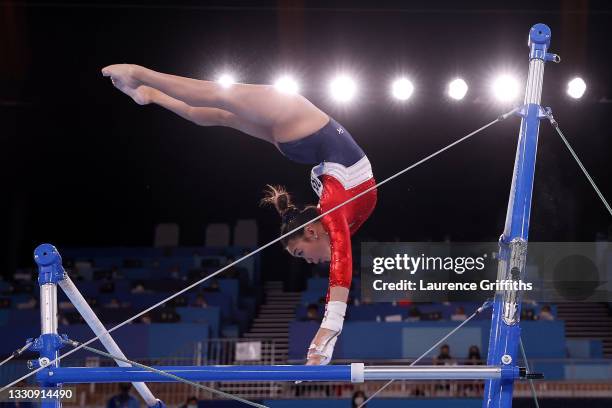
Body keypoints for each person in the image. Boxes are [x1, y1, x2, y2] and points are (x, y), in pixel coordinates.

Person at [101, 64, 378, 366]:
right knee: (218, 98)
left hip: (301, 135)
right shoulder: (333, 212)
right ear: (311, 232)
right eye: (301, 253)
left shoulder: (332, 210)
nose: (308, 261)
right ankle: (141, 77)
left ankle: (149, 93)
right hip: (297, 122)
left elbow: (340, 255)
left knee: (220, 110)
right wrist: (328, 329)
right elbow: (343, 264)